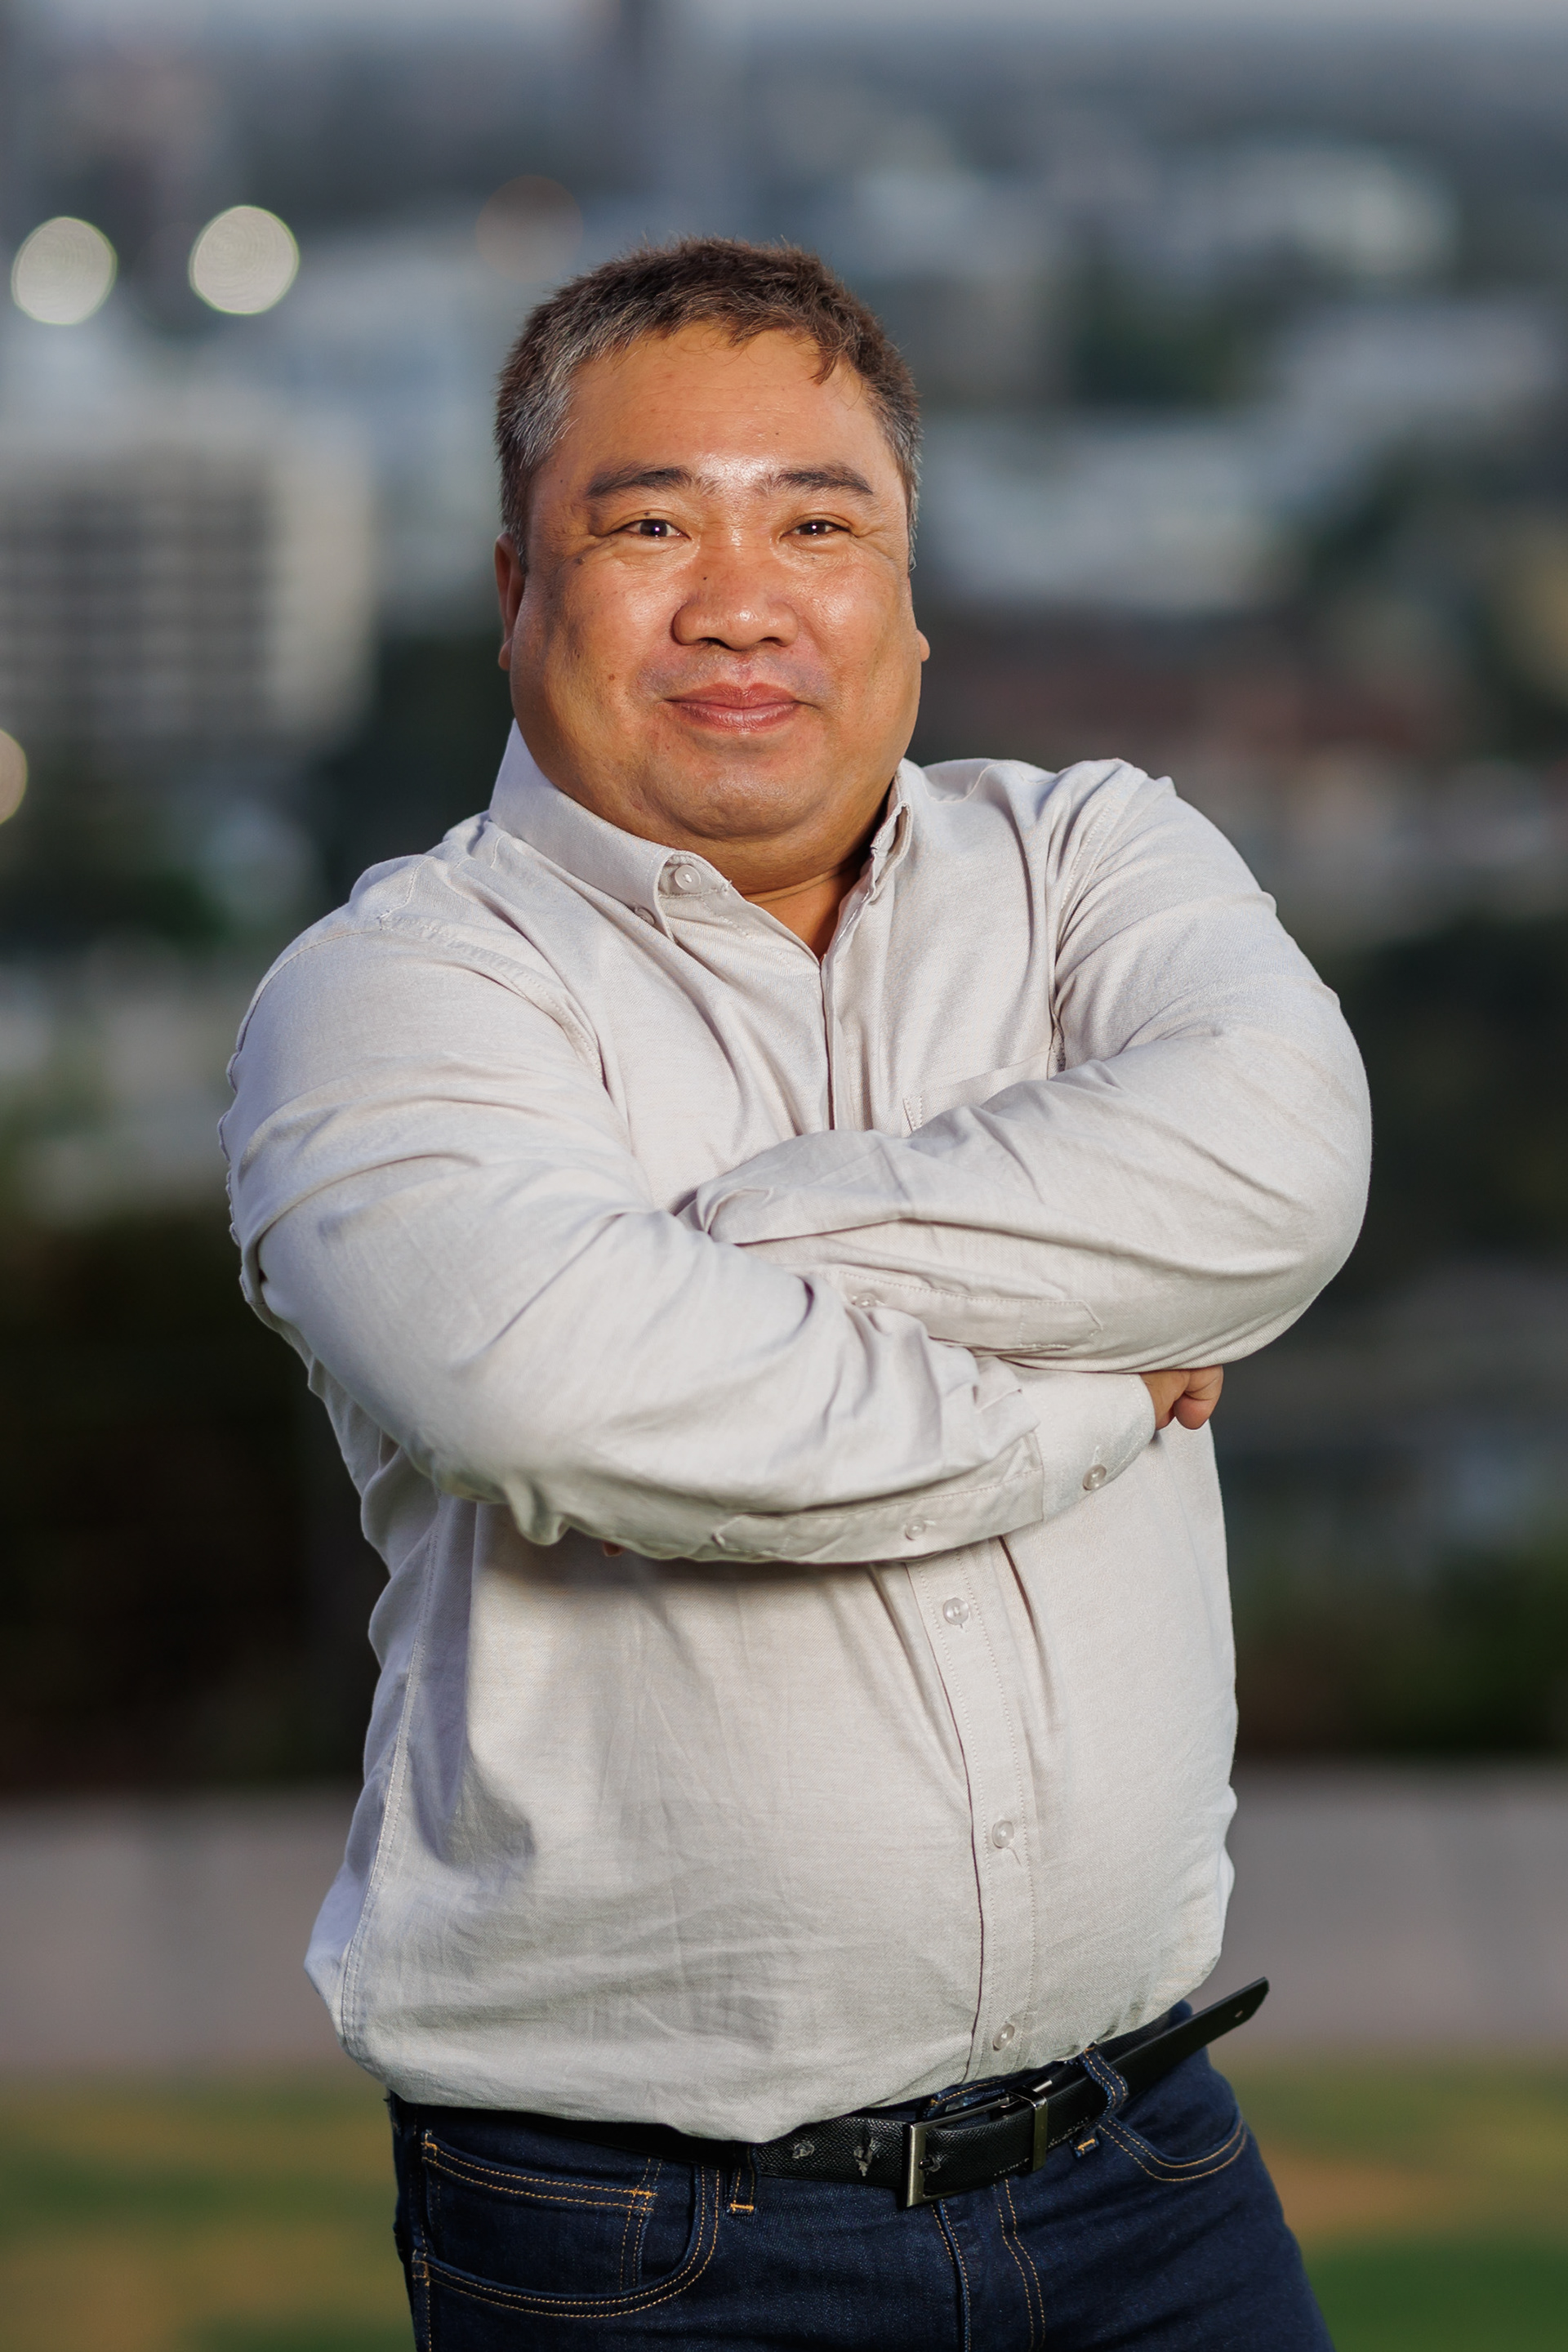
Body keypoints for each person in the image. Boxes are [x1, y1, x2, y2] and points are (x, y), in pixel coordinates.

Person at [223, 238, 1370, 2350]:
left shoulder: (1095, 860)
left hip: (1155, 2182)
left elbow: (1283, 1170)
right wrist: (1099, 1395)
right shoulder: (392, 996)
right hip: (649, 2243)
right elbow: (551, 1397)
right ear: (516, 589)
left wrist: (711, 1251)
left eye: (819, 527)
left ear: (909, 602)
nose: (741, 601)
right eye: (650, 526)